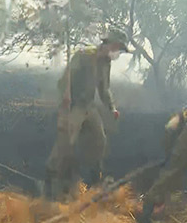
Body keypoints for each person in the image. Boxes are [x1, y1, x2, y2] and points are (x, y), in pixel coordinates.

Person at [44, 29, 130, 201]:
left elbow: (104, 88)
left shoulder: (106, 63)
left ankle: (95, 181)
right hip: (73, 105)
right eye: (118, 48)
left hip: (88, 106)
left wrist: (111, 107)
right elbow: (64, 80)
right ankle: (51, 186)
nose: (118, 53)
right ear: (111, 43)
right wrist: (65, 98)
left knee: (100, 140)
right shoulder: (83, 55)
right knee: (65, 144)